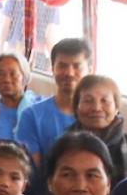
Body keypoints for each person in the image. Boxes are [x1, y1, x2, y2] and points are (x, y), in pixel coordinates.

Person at [14, 37, 91, 165]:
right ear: (52, 68)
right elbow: (29, 170)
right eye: (62, 66)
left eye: (77, 66)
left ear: (90, 70)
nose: (69, 73)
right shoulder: (32, 116)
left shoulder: (98, 116)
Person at [69, 74, 127, 185]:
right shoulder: (61, 146)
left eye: (104, 101)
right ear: (76, 107)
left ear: (116, 108)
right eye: (88, 101)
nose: (96, 108)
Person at [0, 51, 41, 142]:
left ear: (24, 77)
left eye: (13, 74)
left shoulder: (37, 109)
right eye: (1, 74)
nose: (6, 79)